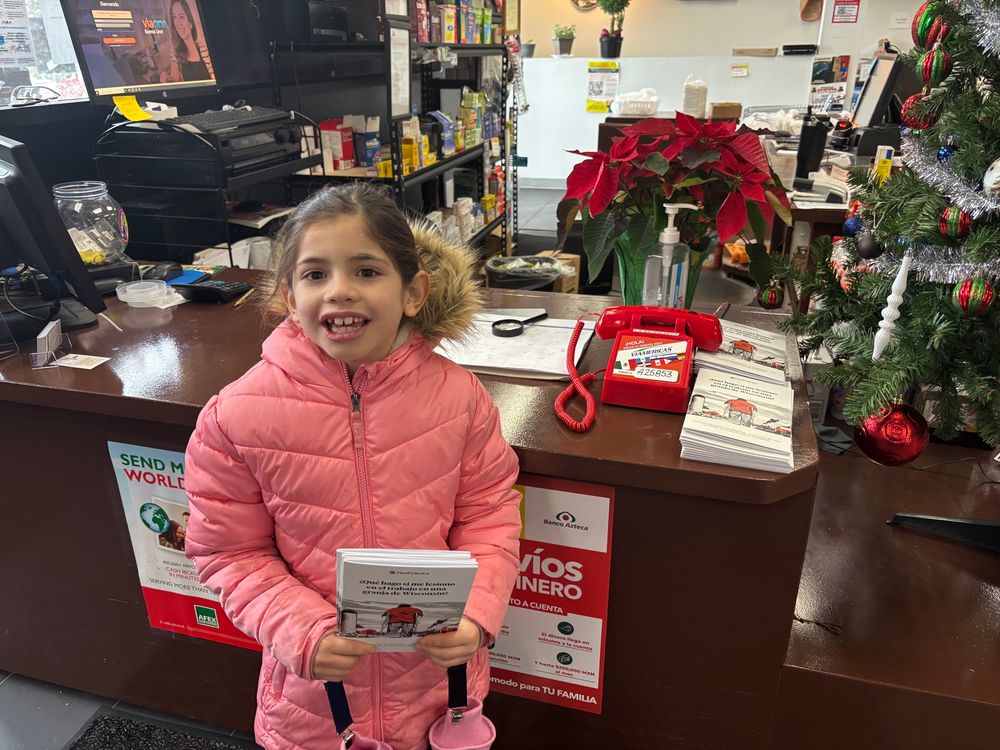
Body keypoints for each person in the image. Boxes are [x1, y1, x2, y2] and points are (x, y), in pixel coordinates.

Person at [184, 183, 522, 750]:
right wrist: (301, 630)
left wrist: (479, 612)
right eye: (315, 275)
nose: (339, 292)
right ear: (289, 297)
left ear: (414, 291)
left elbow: (489, 516)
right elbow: (228, 551)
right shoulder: (235, 416)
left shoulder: (460, 398)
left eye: (366, 271)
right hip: (314, 702)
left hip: (437, 688)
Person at [161, 0, 214, 83]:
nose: (178, 23)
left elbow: (214, 80)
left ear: (190, 23)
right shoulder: (175, 49)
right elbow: (174, 78)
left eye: (181, 17)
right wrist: (166, 77)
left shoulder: (203, 49)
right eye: (174, 17)